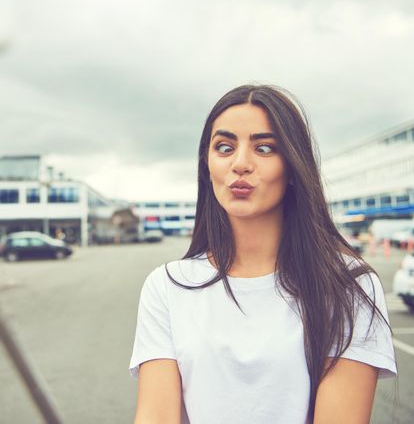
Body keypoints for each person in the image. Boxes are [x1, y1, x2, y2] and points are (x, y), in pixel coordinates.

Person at [129, 85, 396, 424]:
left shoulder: (348, 287)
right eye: (224, 147)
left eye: (265, 148)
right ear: (207, 166)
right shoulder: (167, 287)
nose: (240, 163)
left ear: (294, 167)